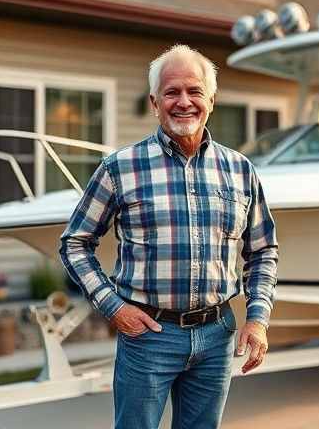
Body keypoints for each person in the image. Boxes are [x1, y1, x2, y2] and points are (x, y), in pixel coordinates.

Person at [59, 44, 278, 429]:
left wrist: (257, 319)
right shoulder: (119, 168)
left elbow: (262, 251)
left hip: (216, 335)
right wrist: (114, 307)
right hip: (149, 338)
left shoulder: (240, 170)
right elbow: (75, 243)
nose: (184, 102)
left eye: (194, 91)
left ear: (211, 99)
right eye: (171, 92)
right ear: (154, 102)